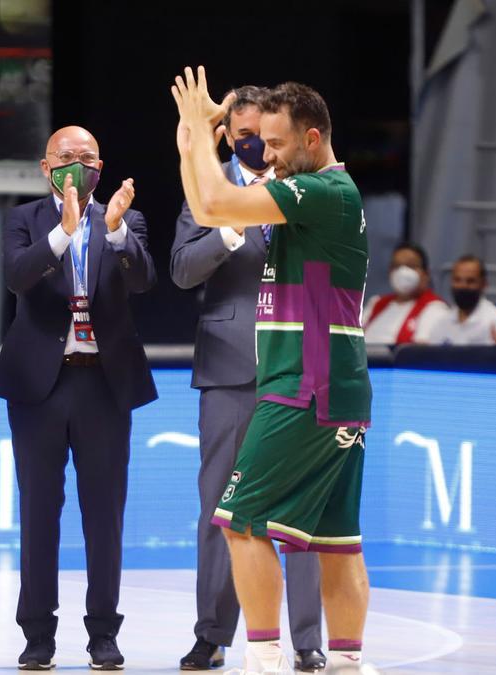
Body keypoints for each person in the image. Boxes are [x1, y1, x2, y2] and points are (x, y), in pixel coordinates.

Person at [173, 71, 376, 674]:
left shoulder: (319, 191)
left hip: (303, 385)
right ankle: (346, 664)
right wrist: (194, 146)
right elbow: (209, 209)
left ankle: (261, 658)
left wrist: (194, 133)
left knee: (240, 521)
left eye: (279, 145)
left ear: (313, 139)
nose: (268, 156)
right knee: (336, 542)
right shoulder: (326, 197)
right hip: (338, 386)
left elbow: (213, 204)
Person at [0, 125, 156, 671]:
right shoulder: (24, 220)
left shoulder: (124, 218)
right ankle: (37, 634)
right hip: (39, 385)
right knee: (39, 512)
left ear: (100, 169)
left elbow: (144, 280)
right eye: (66, 158)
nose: (76, 166)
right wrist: (62, 234)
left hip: (103, 384)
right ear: (45, 167)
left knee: (103, 516)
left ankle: (103, 634)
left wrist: (112, 236)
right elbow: (17, 277)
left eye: (87, 158)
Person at [417, 255, 496, 347]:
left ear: (484, 284)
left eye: (470, 281)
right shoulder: (441, 322)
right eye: (457, 280)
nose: (463, 286)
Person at [361, 243, 447, 346]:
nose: (402, 272)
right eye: (396, 266)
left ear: (426, 274)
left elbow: (419, 353)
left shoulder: (434, 308)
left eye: (411, 266)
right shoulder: (376, 303)